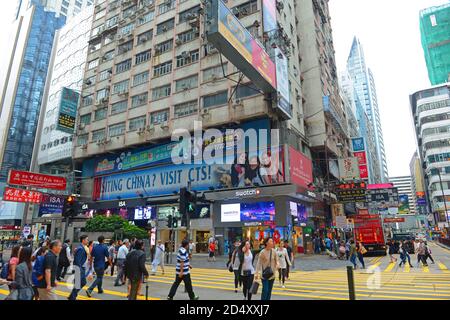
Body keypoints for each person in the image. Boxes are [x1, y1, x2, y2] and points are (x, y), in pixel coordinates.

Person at [68, 235, 89, 300]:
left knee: (82, 283)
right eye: (87, 239)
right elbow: (77, 260)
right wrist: (79, 270)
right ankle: (72, 297)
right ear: (83, 240)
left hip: (81, 268)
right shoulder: (80, 248)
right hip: (79, 268)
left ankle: (72, 296)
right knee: (79, 283)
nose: (87, 241)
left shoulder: (82, 247)